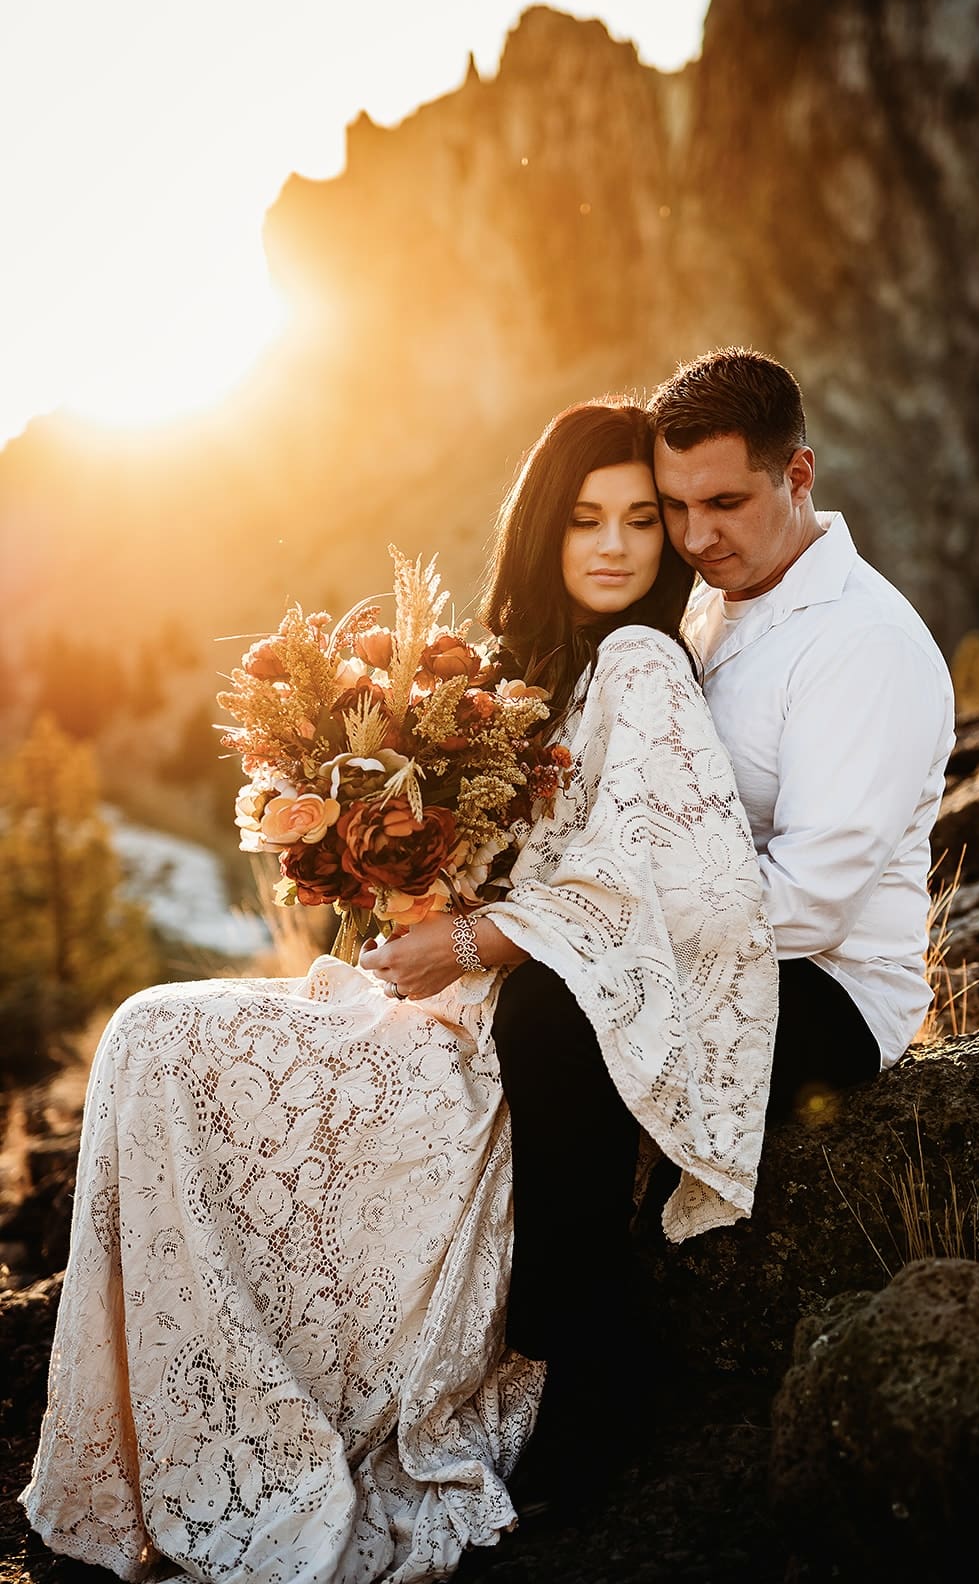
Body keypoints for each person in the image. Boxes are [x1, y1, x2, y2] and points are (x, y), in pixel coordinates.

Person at [21, 400, 778, 1583]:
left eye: (643, 519)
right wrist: (397, 862)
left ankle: (239, 1426)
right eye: (585, 518)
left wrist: (476, 941)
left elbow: (672, 882)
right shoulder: (537, 673)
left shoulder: (641, 662)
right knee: (148, 1041)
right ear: (543, 526)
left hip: (516, 1030)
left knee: (160, 1040)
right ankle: (156, 1431)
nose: (617, 546)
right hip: (449, 999)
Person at [648, 347, 956, 1118]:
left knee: (558, 1031)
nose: (694, 537)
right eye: (675, 507)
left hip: (827, 988)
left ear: (797, 475)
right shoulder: (706, 604)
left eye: (724, 502)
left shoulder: (863, 642)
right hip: (708, 950)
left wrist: (599, 927)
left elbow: (809, 904)